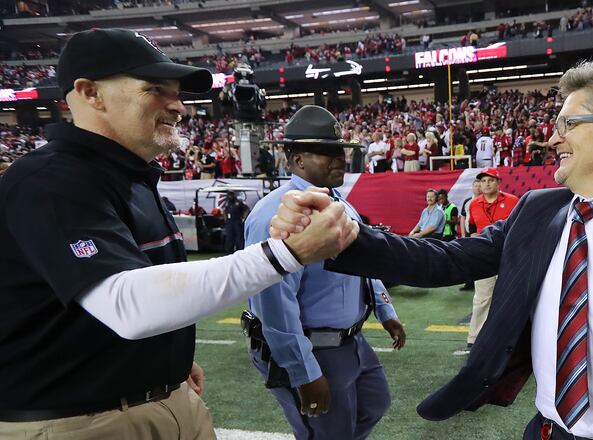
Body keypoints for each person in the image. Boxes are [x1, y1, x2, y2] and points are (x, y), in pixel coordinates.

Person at [274, 59, 593, 439]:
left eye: (568, 123)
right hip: (548, 432)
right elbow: (447, 258)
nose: (553, 137)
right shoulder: (537, 210)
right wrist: (349, 237)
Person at [0, 28, 356, 440]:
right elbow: (126, 304)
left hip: (157, 397)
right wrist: (286, 254)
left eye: (178, 93)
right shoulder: (49, 181)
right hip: (81, 420)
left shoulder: (129, 175)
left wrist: (165, 361)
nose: (179, 106)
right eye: (155, 89)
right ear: (90, 93)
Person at [244, 105, 405, 440]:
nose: (339, 160)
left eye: (340, 151)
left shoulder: (341, 205)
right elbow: (274, 304)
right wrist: (303, 372)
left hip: (351, 339)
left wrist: (384, 309)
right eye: (327, 152)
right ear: (297, 159)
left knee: (374, 404)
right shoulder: (274, 214)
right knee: (328, 432)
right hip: (314, 347)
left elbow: (365, 261)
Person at [463, 168, 518, 352]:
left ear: (498, 182)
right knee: (482, 298)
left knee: (510, 298)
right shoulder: (474, 204)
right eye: (483, 180)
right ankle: (474, 337)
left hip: (507, 255)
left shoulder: (512, 201)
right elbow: (472, 229)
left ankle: (512, 338)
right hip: (483, 256)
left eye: (491, 180)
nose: (486, 184)